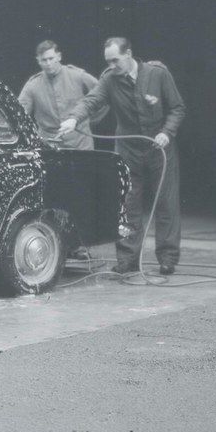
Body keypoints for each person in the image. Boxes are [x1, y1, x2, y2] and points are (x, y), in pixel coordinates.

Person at [58, 37, 186, 276]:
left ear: (129, 54)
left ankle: (167, 258)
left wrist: (166, 132)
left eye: (116, 60)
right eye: (109, 61)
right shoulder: (110, 79)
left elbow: (177, 108)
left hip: (160, 148)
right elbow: (92, 100)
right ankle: (127, 259)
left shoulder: (158, 74)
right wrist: (74, 118)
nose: (112, 65)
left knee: (166, 203)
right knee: (128, 205)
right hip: (128, 149)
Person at [18, 39, 102, 151]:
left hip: (81, 144)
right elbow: (20, 114)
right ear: (38, 61)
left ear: (59, 57)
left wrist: (86, 122)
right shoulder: (32, 85)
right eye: (44, 60)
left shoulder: (78, 76)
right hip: (50, 147)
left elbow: (101, 97)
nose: (48, 63)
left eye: (51, 58)